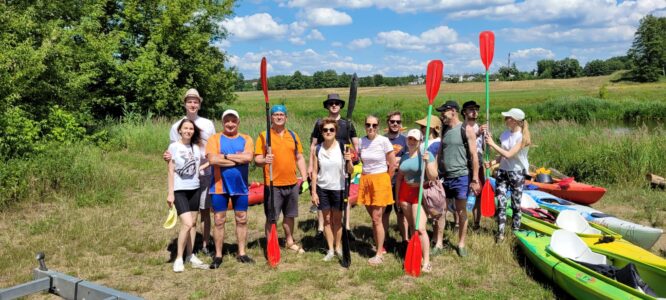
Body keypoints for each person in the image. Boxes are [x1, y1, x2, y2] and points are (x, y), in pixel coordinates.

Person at [164, 88, 216, 255]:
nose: (193, 104)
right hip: (185, 175)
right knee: (189, 214)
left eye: (196, 102)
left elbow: (214, 147)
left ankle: (206, 244)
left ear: (199, 104)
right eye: (189, 101)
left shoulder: (208, 124)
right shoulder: (176, 126)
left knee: (205, 211)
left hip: (206, 171)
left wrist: (209, 165)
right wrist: (167, 157)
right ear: (185, 104)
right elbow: (173, 151)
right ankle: (187, 249)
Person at [255, 104, 308, 254]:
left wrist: (304, 178)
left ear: (286, 117)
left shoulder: (293, 135)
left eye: (281, 114)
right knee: (272, 217)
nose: (279, 117)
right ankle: (271, 245)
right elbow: (257, 160)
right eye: (275, 114)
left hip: (291, 184)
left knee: (290, 216)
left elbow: (299, 157)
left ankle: (289, 241)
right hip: (273, 185)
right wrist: (265, 159)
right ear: (271, 117)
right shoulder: (264, 136)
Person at [205, 109, 255, 268]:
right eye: (227, 120)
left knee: (242, 218)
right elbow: (212, 160)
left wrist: (224, 157)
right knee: (219, 220)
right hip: (219, 186)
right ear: (222, 122)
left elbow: (248, 157)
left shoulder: (246, 138)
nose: (230, 124)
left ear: (238, 122)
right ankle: (218, 255)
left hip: (240, 187)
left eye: (234, 120)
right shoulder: (214, 139)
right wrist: (236, 159)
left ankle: (242, 253)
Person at [308, 94, 359, 240]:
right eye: (331, 103)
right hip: (323, 162)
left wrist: (355, 159)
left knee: (346, 196)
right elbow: (313, 145)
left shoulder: (347, 123)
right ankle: (320, 228)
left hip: (343, 165)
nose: (334, 105)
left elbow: (355, 144)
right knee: (321, 193)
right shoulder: (321, 124)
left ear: (341, 105)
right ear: (327, 106)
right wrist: (311, 165)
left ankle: (347, 227)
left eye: (337, 103)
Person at [436, 100, 481, 257]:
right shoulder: (444, 130)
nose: (441, 115)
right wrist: (434, 172)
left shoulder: (466, 129)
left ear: (453, 111)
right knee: (441, 211)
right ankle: (439, 244)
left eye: (444, 112)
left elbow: (474, 156)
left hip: (461, 177)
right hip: (445, 177)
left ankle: (461, 244)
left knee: (461, 211)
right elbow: (440, 153)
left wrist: (475, 178)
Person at [167, 119, 209, 272]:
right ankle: (178, 258)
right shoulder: (174, 147)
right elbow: (170, 171)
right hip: (180, 190)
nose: (188, 131)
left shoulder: (196, 148)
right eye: (185, 128)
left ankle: (190, 256)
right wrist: (170, 193)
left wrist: (209, 163)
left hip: (195, 189)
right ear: (180, 130)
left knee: (193, 224)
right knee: (187, 224)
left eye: (191, 128)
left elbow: (197, 167)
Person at [395, 129, 439, 273]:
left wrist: (426, 162)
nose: (412, 142)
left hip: (419, 193)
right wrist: (397, 197)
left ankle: (426, 261)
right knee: (413, 226)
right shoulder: (405, 156)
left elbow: (433, 177)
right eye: (410, 139)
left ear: (420, 141)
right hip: (404, 194)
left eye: (415, 139)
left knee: (420, 228)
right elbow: (400, 177)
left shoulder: (427, 155)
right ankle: (417, 254)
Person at [310, 118, 354, 261]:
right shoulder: (318, 149)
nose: (328, 132)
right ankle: (330, 249)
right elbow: (315, 172)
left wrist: (349, 160)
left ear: (336, 132)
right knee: (327, 220)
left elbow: (350, 170)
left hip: (339, 188)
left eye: (331, 130)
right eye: (325, 130)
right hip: (323, 188)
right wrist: (314, 191)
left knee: (337, 219)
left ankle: (338, 247)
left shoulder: (343, 147)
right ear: (322, 132)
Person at [485, 108, 531, 243]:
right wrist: (493, 162)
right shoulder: (505, 134)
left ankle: (515, 232)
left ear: (515, 121)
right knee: (501, 203)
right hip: (502, 172)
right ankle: (500, 234)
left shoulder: (522, 137)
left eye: (508, 118)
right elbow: (502, 155)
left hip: (517, 173)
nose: (505, 120)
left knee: (516, 205)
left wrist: (492, 143)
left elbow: (509, 154)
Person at [356, 115, 397, 265]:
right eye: (368, 125)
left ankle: (379, 253)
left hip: (380, 180)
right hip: (366, 180)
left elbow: (392, 164)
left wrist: (386, 180)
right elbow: (360, 160)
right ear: (365, 125)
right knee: (373, 220)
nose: (371, 128)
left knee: (377, 218)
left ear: (378, 126)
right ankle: (378, 245)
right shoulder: (361, 141)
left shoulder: (383, 141)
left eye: (374, 125)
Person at [383, 112, 408, 251]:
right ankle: (385, 240)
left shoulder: (405, 140)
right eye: (392, 121)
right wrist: (394, 161)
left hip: (400, 181)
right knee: (385, 212)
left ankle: (405, 239)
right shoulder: (382, 140)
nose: (395, 124)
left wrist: (394, 161)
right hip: (386, 180)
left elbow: (407, 158)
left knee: (401, 211)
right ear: (388, 123)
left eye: (398, 122)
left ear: (401, 124)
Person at [461, 101, 487, 230]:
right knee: (461, 194)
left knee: (478, 193)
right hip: (464, 163)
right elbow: (464, 143)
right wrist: (476, 134)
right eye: (471, 109)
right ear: (464, 112)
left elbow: (483, 148)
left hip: (479, 163)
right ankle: (459, 223)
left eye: (476, 109)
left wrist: (487, 138)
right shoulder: (462, 127)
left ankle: (476, 223)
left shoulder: (481, 127)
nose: (474, 112)